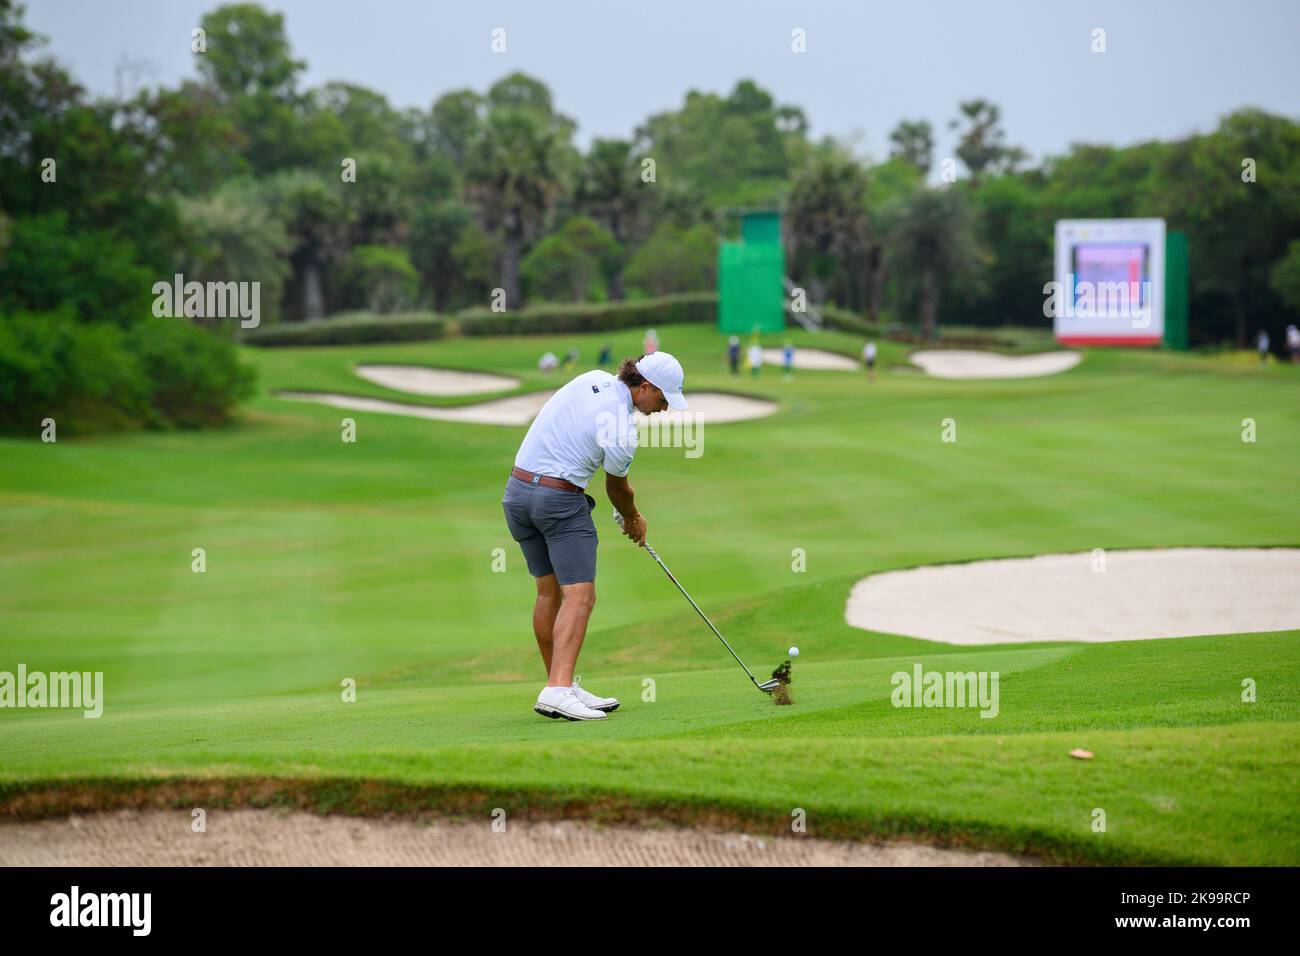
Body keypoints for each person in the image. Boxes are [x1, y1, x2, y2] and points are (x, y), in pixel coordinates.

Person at [502, 352, 689, 721]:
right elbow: (617, 488)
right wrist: (633, 518)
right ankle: (558, 688)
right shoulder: (622, 428)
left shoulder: (592, 378)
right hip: (557, 502)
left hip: (517, 494)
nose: (664, 408)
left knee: (548, 593)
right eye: (663, 398)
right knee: (581, 596)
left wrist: (622, 511)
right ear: (645, 387)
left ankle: (559, 685)